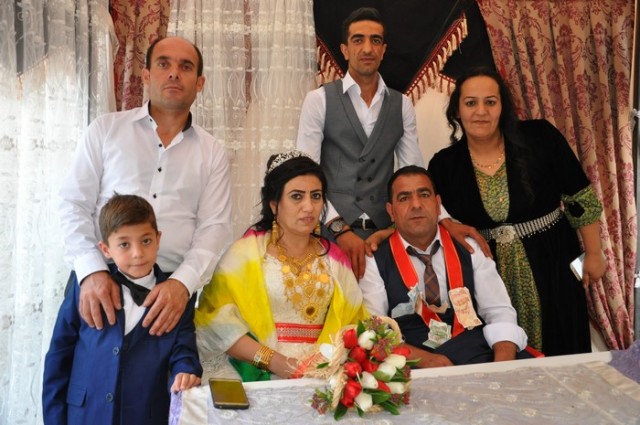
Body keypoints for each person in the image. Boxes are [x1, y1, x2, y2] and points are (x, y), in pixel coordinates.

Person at [296, 7, 487, 279]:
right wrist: (339, 230)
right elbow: (306, 177)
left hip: (384, 236)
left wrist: (444, 219)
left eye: (375, 40)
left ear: (383, 50)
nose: (367, 48)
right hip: (330, 235)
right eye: (358, 40)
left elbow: (413, 171)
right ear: (344, 50)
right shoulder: (319, 100)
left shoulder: (402, 104)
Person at [58, 36, 232, 336]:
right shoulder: (105, 129)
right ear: (147, 75)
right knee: (75, 366)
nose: (174, 73)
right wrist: (91, 271)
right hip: (99, 284)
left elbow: (214, 228)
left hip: (169, 295)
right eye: (164, 64)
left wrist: (182, 284)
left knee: (172, 369)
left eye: (185, 67)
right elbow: (73, 204)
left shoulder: (213, 152)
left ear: (199, 83)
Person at [428, 67, 606, 356]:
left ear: (503, 106)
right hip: (489, 277)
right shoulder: (444, 164)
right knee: (501, 353)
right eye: (471, 103)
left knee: (562, 346)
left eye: (490, 102)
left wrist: (595, 253)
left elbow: (579, 197)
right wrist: (446, 223)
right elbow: (431, 215)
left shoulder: (540, 137)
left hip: (553, 262)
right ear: (457, 111)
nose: (481, 111)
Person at [195, 151, 369, 381]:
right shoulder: (244, 255)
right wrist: (275, 362)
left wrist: (323, 364)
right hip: (256, 372)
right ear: (274, 204)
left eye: (316, 196)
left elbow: (354, 323)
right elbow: (214, 321)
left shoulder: (334, 260)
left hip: (321, 376)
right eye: (297, 196)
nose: (309, 206)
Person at [43, 194, 202, 425]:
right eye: (124, 244)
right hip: (84, 416)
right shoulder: (85, 288)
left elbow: (184, 352)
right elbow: (59, 356)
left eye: (145, 241)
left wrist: (185, 372)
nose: (137, 253)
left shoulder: (178, 298)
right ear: (106, 249)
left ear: (158, 239)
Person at [359, 166, 530, 367]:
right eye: (404, 198)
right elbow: (374, 331)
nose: (416, 205)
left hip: (476, 356)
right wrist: (427, 360)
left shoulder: (469, 247)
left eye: (424, 195)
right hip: (413, 363)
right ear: (391, 211)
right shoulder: (374, 259)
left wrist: (501, 368)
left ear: (438, 205)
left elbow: (499, 312)